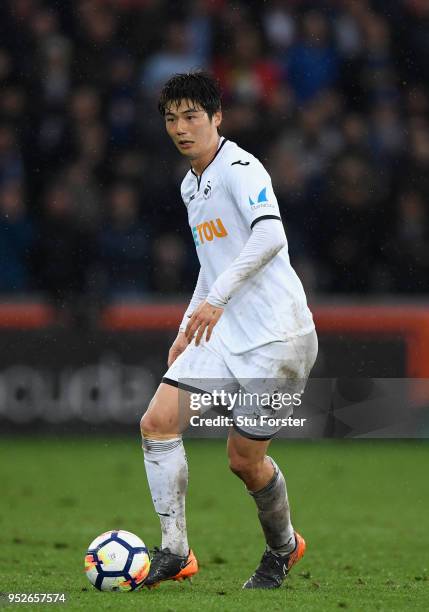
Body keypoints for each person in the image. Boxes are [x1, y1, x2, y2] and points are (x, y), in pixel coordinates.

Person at [140, 71, 318, 590]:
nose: (181, 128)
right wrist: (187, 326)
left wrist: (217, 302)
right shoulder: (189, 184)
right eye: (172, 118)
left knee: (243, 461)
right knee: (156, 422)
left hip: (278, 340)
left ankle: (284, 547)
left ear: (217, 117)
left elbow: (269, 236)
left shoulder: (242, 168)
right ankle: (175, 551)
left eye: (192, 116)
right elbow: (211, 262)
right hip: (224, 330)